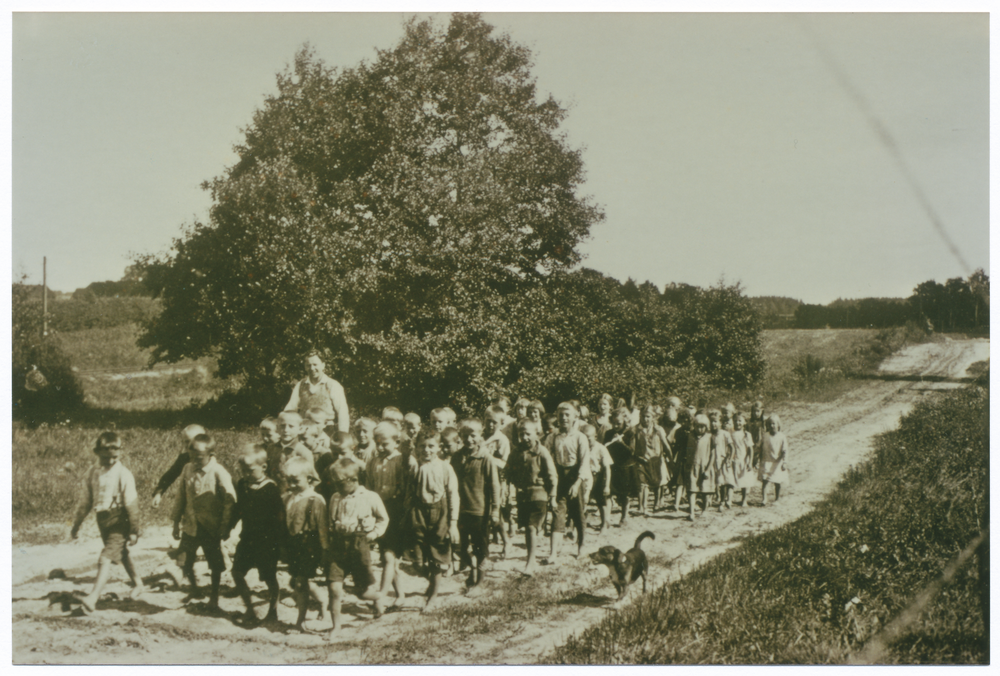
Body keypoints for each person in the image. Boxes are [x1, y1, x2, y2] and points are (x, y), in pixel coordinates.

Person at [69, 432, 145, 614]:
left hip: (121, 520)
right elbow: (85, 502)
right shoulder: (92, 472)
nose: (110, 461)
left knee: (106, 557)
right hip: (102, 520)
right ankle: (139, 584)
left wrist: (134, 530)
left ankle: (92, 598)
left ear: (120, 453)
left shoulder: (123, 474)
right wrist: (76, 525)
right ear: (96, 452)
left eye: (115, 457)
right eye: (105, 457)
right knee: (121, 552)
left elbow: (132, 505)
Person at [169, 433, 237, 611]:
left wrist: (225, 526)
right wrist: (176, 522)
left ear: (211, 455)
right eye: (191, 457)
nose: (194, 461)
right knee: (184, 560)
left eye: (198, 458)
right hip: (190, 525)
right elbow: (181, 496)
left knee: (214, 563)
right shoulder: (187, 469)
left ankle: (214, 597)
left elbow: (230, 500)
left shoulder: (218, 472)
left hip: (210, 527)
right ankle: (195, 589)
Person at [326, 457, 388, 636]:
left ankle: (378, 598)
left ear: (353, 480)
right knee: (334, 588)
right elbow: (331, 519)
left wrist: (374, 534)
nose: (336, 486)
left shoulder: (369, 497)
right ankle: (336, 626)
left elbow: (384, 519)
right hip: (338, 544)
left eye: (339, 483)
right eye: (334, 482)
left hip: (359, 544)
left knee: (363, 593)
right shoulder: (335, 497)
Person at [229, 444, 285, 627]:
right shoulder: (243, 484)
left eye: (249, 470)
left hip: (267, 541)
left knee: (269, 577)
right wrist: (228, 528)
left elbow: (280, 517)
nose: (245, 474)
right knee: (237, 572)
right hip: (247, 538)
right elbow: (238, 509)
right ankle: (250, 609)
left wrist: (281, 541)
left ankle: (273, 610)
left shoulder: (270, 489)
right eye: (243, 470)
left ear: (263, 467)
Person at [407, 431, 460, 612]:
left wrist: (453, 523)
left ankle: (433, 598)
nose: (426, 450)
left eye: (431, 446)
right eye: (422, 446)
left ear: (439, 448)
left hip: (440, 513)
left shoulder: (445, 467)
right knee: (418, 562)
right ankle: (431, 582)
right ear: (416, 448)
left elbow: (453, 495)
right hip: (419, 512)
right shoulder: (415, 467)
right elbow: (409, 493)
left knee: (437, 558)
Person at [453, 419, 502, 588]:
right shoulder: (457, 457)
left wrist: (495, 510)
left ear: (480, 436)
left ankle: (479, 582)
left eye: (473, 435)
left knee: (481, 549)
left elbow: (495, 486)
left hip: (479, 511)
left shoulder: (486, 458)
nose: (469, 439)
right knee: (460, 546)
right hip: (460, 511)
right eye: (464, 435)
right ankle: (472, 570)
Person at [283, 457, 330, 630]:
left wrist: (325, 550)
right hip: (294, 545)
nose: (291, 485)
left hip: (309, 545)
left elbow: (323, 529)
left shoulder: (315, 500)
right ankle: (323, 600)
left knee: (301, 582)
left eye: (295, 481)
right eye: (288, 481)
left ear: (309, 478)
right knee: (297, 580)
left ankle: (300, 621)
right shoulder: (288, 497)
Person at [364, 421, 408, 607]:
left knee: (389, 557)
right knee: (386, 557)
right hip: (378, 512)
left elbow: (405, 488)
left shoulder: (402, 460)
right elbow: (368, 486)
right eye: (377, 443)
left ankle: (380, 596)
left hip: (396, 511)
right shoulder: (373, 461)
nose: (380, 447)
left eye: (385, 443)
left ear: (396, 442)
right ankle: (400, 595)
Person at [506, 420, 557, 576]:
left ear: (537, 434)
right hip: (523, 496)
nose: (525, 437)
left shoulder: (541, 452)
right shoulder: (515, 452)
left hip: (539, 494)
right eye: (522, 434)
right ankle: (531, 559)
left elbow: (552, 476)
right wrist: (507, 492)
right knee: (528, 529)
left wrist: (553, 497)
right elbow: (508, 474)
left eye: (528, 433)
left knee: (530, 527)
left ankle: (530, 562)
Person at [544, 402, 589, 561]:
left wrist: (577, 484)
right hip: (559, 478)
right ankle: (553, 553)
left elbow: (584, 463)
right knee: (557, 513)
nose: (563, 418)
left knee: (578, 513)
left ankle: (581, 547)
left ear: (575, 416)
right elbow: (547, 458)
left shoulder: (580, 437)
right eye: (560, 415)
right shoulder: (552, 437)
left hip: (575, 477)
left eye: (567, 415)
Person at [284, 351, 350, 434]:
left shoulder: (332, 385)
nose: (312, 368)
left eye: (315, 364)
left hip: (326, 431)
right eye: (309, 365)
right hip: (304, 431)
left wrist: (342, 435)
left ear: (323, 365)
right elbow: (290, 409)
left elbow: (342, 413)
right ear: (305, 367)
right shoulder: (301, 385)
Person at [482, 406, 513, 558]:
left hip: (496, 480)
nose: (490, 425)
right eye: (488, 421)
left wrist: (488, 458)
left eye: (494, 422)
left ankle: (506, 541)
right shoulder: (480, 436)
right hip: (480, 479)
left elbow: (504, 463)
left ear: (501, 423)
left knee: (496, 512)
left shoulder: (502, 440)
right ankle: (485, 545)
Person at [150, 424, 205, 508]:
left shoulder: (211, 460)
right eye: (184, 442)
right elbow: (170, 475)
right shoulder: (184, 459)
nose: (186, 445)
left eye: (189, 441)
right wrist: (158, 493)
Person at [633, 404, 670, 515]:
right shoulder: (636, 429)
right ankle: (641, 507)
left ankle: (656, 504)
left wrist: (671, 460)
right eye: (643, 416)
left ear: (653, 417)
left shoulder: (658, 430)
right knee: (642, 484)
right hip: (642, 459)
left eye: (648, 416)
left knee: (657, 483)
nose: (645, 419)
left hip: (656, 460)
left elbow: (666, 445)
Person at [267, 411, 317, 492]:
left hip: (294, 492)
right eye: (282, 426)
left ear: (300, 429)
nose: (286, 430)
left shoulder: (303, 452)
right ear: (277, 428)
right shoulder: (271, 448)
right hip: (273, 491)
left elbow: (312, 478)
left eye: (291, 426)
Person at [604, 406, 637, 527]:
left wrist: (621, 443)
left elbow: (632, 451)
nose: (616, 426)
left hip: (626, 468)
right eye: (613, 423)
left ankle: (624, 517)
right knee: (608, 493)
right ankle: (606, 519)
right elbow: (604, 448)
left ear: (625, 421)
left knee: (625, 495)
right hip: (613, 467)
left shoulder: (630, 434)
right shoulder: (609, 433)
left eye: (618, 423)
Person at [581, 423, 613, 535]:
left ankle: (604, 524)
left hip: (597, 477)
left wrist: (607, 485)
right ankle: (578, 526)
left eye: (588, 438)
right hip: (585, 476)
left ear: (595, 436)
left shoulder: (600, 448)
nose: (586, 440)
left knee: (601, 502)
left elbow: (607, 468)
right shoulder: (581, 447)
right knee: (582, 501)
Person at [686, 414, 716, 521]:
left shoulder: (710, 437)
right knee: (691, 490)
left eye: (702, 426)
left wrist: (708, 469)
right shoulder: (690, 436)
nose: (700, 429)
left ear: (706, 427)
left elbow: (713, 454)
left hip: (705, 467)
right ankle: (691, 512)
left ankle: (705, 510)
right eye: (697, 426)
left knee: (705, 491)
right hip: (693, 466)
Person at [758, 414, 790, 505]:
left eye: (773, 424)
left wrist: (785, 462)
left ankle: (777, 498)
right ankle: (764, 499)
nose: (772, 426)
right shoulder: (765, 435)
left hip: (777, 462)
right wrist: (757, 457)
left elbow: (785, 450)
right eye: (769, 424)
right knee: (765, 480)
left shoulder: (781, 436)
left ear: (778, 425)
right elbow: (760, 447)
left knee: (777, 481)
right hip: (766, 460)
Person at [710, 410, 736, 511]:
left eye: (715, 421)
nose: (713, 424)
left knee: (728, 481)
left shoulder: (725, 434)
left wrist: (729, 458)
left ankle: (728, 500)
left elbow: (732, 447)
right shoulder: (709, 435)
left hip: (724, 460)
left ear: (721, 423)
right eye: (711, 421)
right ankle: (721, 501)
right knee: (720, 483)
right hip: (714, 461)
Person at [730, 412, 756, 507]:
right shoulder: (731, 433)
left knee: (745, 481)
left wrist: (749, 461)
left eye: (740, 420)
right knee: (731, 480)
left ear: (744, 422)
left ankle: (744, 500)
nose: (737, 423)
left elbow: (750, 449)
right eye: (736, 420)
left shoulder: (746, 434)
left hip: (743, 460)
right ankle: (729, 499)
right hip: (733, 460)